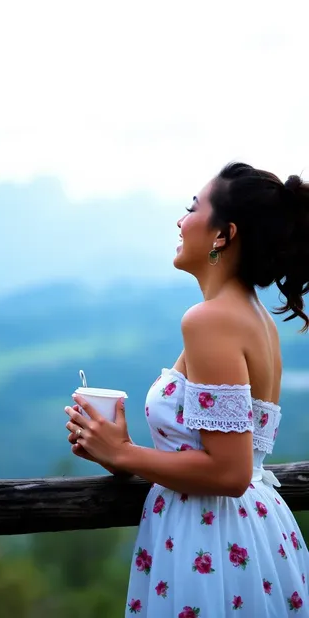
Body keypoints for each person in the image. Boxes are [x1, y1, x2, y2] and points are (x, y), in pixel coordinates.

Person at [65, 162, 309, 617]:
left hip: (211, 540)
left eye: (191, 208)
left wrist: (122, 454)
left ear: (223, 234)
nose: (181, 221)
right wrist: (112, 448)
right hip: (250, 532)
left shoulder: (210, 320)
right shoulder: (253, 318)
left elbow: (229, 473)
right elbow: (215, 455)